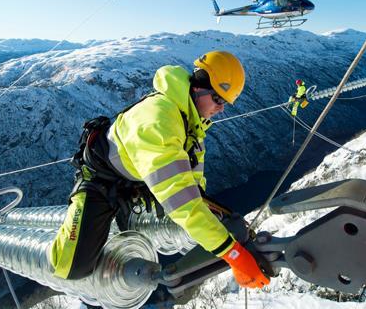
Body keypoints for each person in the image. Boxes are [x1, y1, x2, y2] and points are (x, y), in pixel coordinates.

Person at [48, 51, 270, 290]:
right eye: (218, 99)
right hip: (102, 179)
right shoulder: (159, 121)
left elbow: (193, 190)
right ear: (198, 89)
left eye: (225, 102)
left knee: (194, 221)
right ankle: (49, 241)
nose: (221, 109)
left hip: (136, 177)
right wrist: (233, 253)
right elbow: (184, 204)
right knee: (70, 266)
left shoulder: (191, 122)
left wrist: (221, 225)